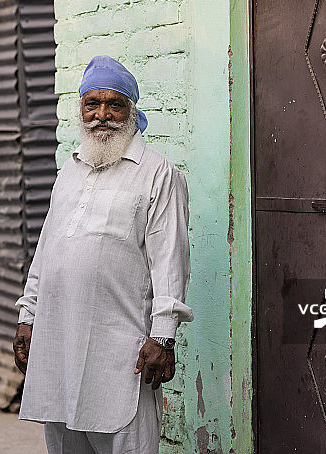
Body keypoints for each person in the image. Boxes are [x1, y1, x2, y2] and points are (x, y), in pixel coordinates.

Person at [13, 55, 193, 453]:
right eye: (91, 104)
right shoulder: (70, 171)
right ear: (80, 109)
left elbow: (170, 260)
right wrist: (28, 315)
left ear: (132, 110)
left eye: (115, 105)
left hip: (123, 350)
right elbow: (47, 250)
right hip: (58, 342)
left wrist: (163, 336)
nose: (102, 115)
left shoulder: (158, 173)